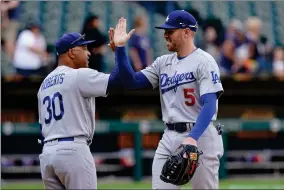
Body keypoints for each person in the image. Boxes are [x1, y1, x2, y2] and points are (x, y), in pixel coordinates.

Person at [113, 10, 224, 189]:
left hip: (200, 135)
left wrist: (192, 138)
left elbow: (210, 104)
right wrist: (120, 49)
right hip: (169, 135)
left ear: (187, 32)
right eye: (165, 30)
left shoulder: (204, 61)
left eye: (170, 31)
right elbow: (130, 82)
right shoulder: (163, 62)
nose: (165, 34)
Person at [37, 31, 120, 189]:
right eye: (84, 48)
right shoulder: (78, 76)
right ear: (71, 52)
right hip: (73, 151)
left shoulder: (44, 84)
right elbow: (117, 80)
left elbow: (42, 128)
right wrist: (119, 51)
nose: (88, 53)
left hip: (47, 154)